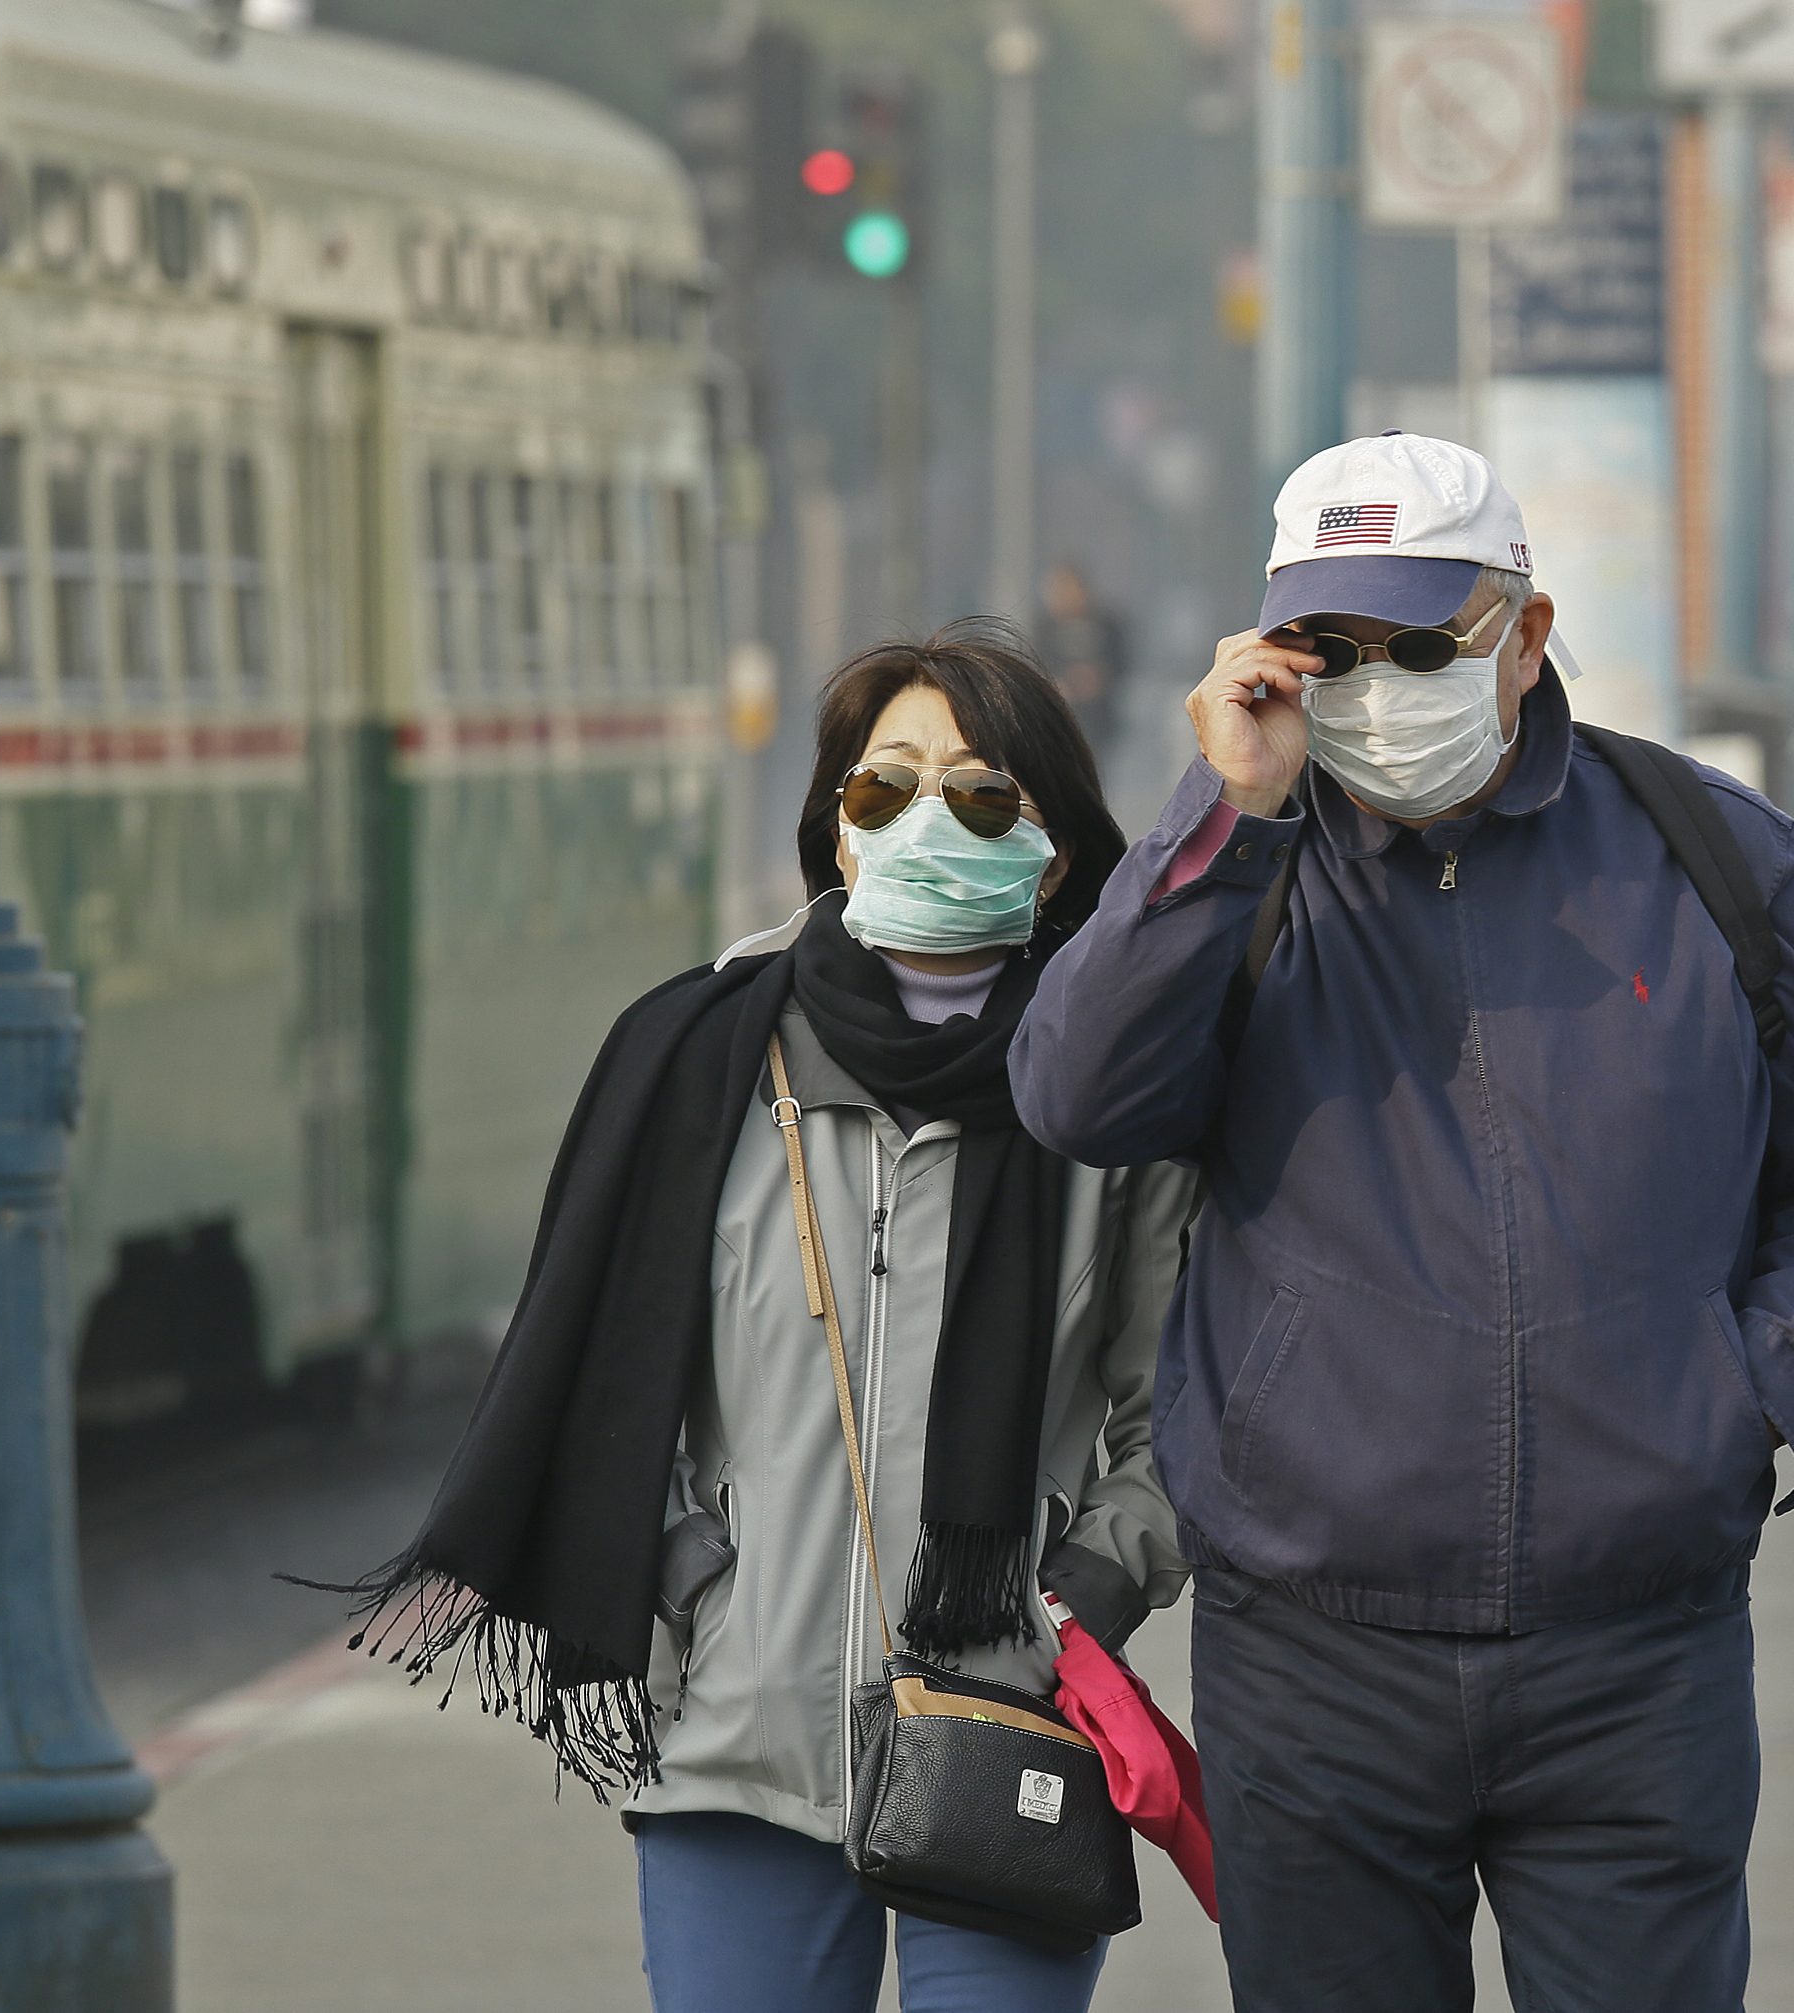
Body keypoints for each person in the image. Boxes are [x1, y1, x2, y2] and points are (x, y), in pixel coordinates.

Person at [1011, 433, 1794, 2011]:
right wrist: (1221, 820)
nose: (1370, 687)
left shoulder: (1717, 861)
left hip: (1636, 1647)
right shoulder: (1241, 868)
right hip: (1310, 1650)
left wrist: (1750, 1404)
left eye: (1416, 644)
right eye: (1329, 649)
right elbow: (1076, 1098)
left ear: (1527, 633)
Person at [320, 625, 1196, 2013]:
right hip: (735, 1742)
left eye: (980, 793)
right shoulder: (697, 1060)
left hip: (1004, 1726)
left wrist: (1079, 1590)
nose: (926, 821)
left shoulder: (1113, 1107)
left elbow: (1182, 1419)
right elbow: (601, 1372)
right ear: (834, 832)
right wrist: (687, 1579)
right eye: (881, 788)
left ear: (1059, 847)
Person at [1039, 562, 1130, 756]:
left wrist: (1099, 678)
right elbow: (1033, 666)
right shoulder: (1043, 630)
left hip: (1099, 720)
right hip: (1054, 722)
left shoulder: (1107, 626)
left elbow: (1123, 665)